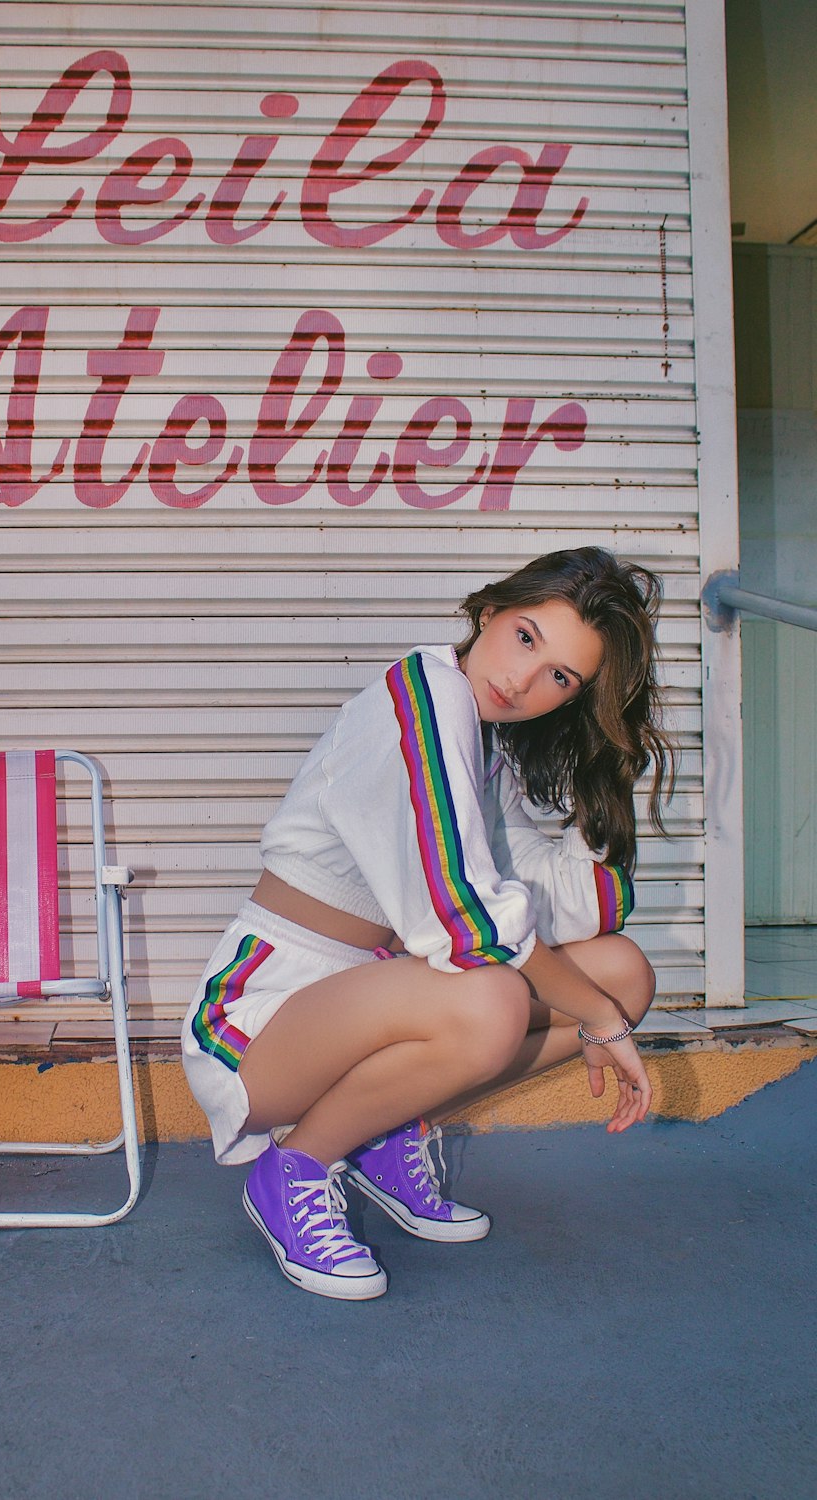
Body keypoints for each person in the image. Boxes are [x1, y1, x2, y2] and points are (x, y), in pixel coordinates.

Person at [181, 546, 674, 1301]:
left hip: (360, 1004)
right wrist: (599, 1020)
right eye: (526, 637)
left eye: (561, 678)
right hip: (259, 1013)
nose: (522, 679)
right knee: (495, 998)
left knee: (622, 971)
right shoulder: (425, 693)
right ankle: (296, 1171)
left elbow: (549, 896)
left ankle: (377, 1132)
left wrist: (607, 768)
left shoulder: (481, 749)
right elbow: (468, 918)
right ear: (490, 613)